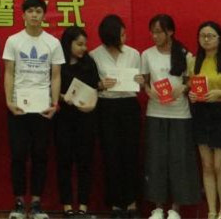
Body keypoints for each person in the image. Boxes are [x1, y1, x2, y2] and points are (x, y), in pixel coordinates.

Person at [2, 0, 62, 219]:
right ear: (23, 15)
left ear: (44, 15)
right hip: (18, 106)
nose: (34, 15)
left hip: (43, 108)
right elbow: (9, 72)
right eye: (30, 11)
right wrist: (9, 101)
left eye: (38, 11)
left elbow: (55, 76)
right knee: (18, 155)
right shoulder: (14, 41)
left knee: (40, 155)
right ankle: (18, 203)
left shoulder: (52, 43)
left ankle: (36, 203)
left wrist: (54, 103)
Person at [140, 13, 198, 219]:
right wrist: (150, 92)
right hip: (155, 112)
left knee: (179, 160)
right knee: (156, 159)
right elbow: (144, 82)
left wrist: (182, 88)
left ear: (170, 32)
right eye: (152, 32)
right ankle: (157, 207)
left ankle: (175, 209)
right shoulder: (147, 55)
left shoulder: (185, 54)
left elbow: (191, 80)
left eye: (159, 32)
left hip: (180, 114)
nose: (154, 36)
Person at [88, 14, 142, 219]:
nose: (124, 37)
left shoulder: (133, 54)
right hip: (106, 107)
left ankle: (132, 203)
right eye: (121, 34)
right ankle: (116, 205)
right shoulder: (94, 55)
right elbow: (91, 84)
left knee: (131, 154)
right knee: (111, 155)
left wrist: (140, 80)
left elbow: (141, 81)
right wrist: (101, 85)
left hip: (129, 106)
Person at [188, 21, 221, 219]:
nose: (206, 40)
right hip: (201, 113)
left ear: (219, 39)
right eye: (203, 36)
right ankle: (211, 211)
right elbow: (191, 86)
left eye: (210, 36)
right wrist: (192, 95)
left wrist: (220, 93)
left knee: (220, 167)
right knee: (207, 166)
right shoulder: (193, 62)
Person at [54, 26, 97, 218]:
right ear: (68, 43)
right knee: (64, 161)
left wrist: (90, 105)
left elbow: (95, 89)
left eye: (85, 44)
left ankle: (83, 206)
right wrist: (62, 97)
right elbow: (50, 87)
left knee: (84, 162)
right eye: (79, 44)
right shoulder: (58, 63)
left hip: (85, 118)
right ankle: (67, 206)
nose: (83, 48)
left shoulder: (89, 63)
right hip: (63, 117)